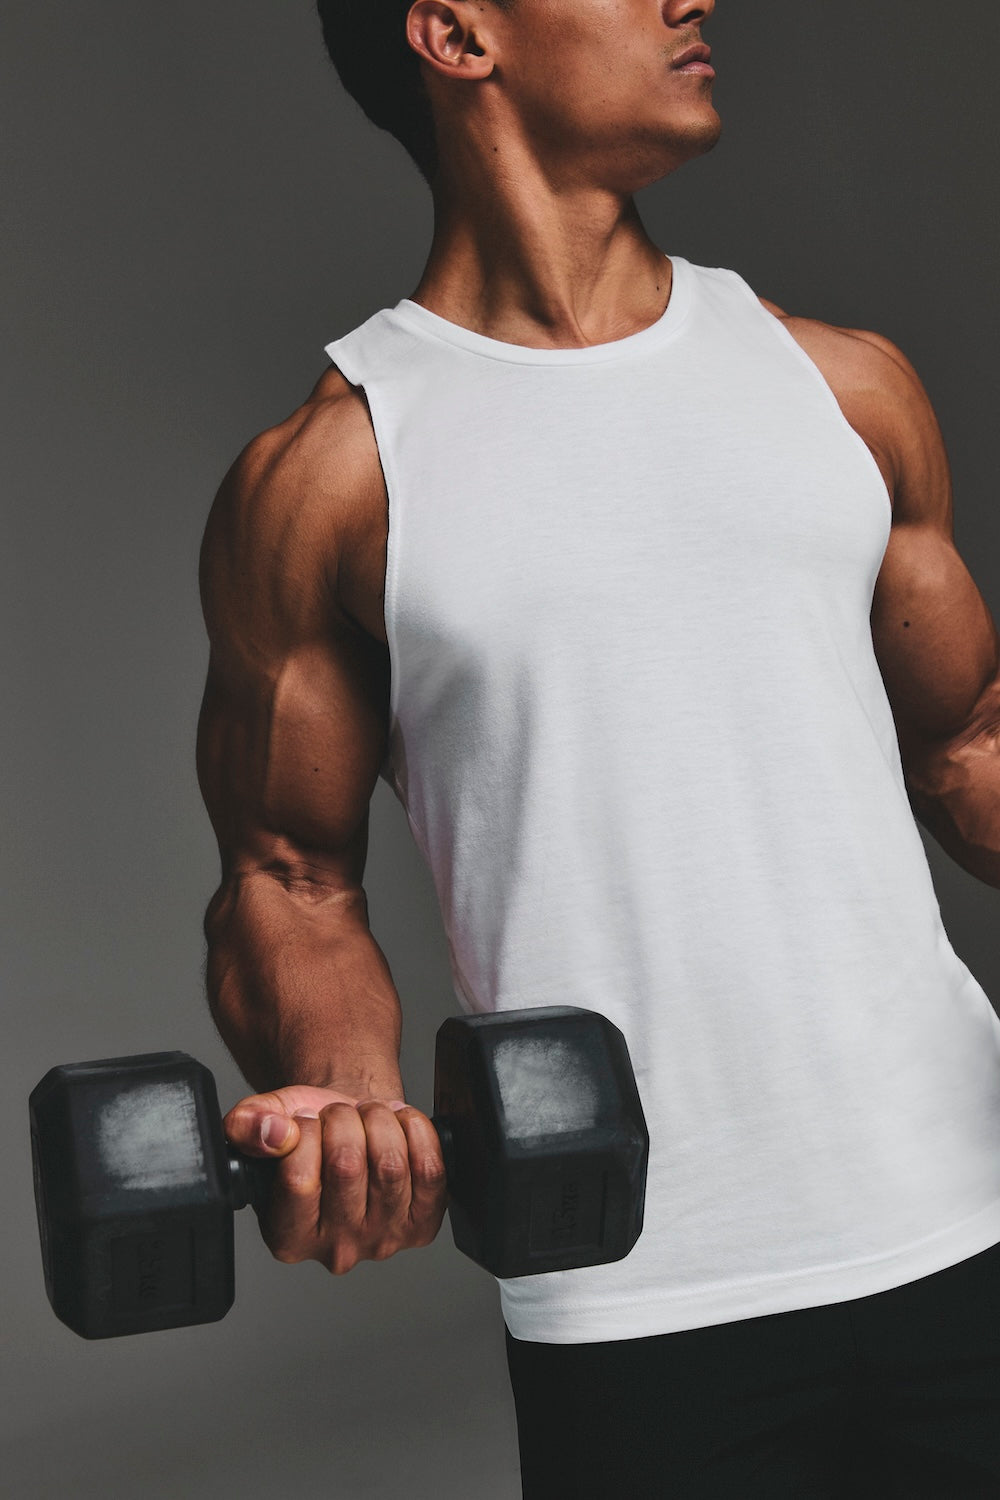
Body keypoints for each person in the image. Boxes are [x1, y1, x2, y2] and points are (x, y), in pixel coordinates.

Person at [195, 1, 1000, 1493]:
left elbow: (968, 746)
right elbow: (288, 874)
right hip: (633, 1289)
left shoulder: (843, 387)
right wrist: (352, 1096)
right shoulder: (337, 475)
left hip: (969, 1213)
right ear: (455, 34)